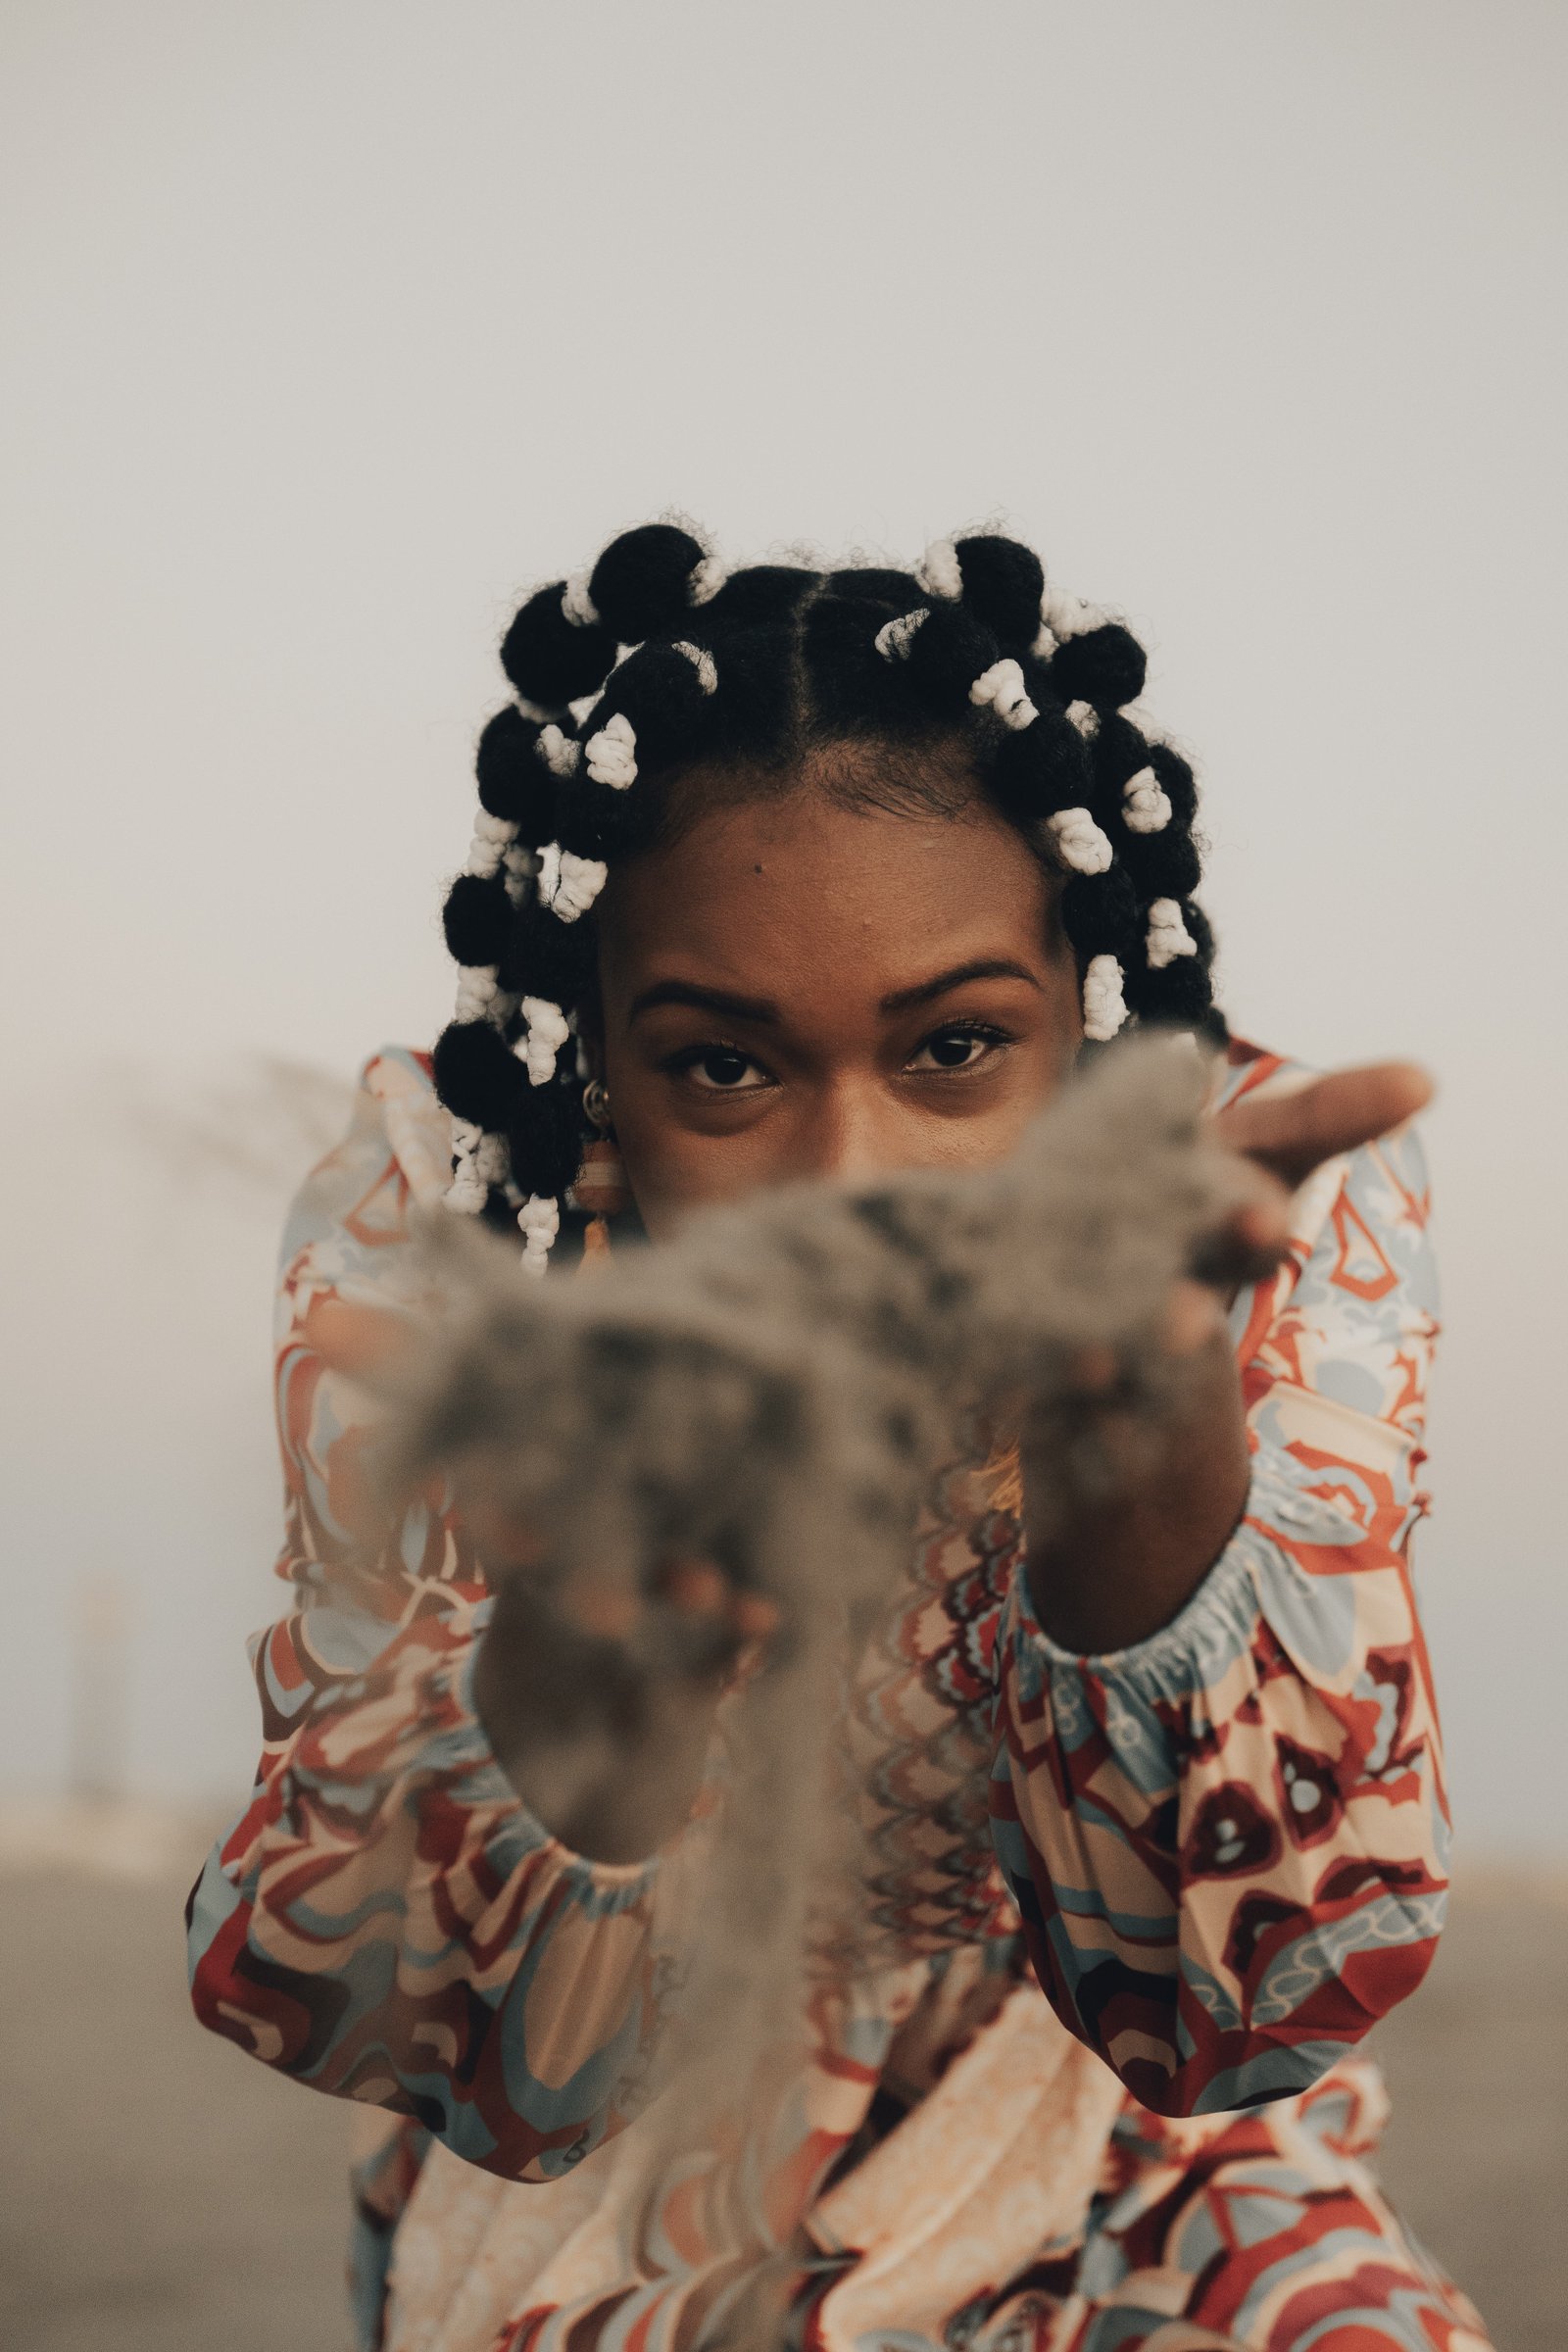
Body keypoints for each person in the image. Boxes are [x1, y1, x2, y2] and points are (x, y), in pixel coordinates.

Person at [186, 523, 1489, 2351]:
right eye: (725, 1066)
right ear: (600, 1078)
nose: (850, 1179)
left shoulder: (1253, 1215)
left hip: (1126, 2155)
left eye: (954, 1050)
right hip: (607, 2170)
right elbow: (427, 2040)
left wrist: (1143, 1464)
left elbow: (1240, 2010)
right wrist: (587, 1673)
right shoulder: (459, 1248)